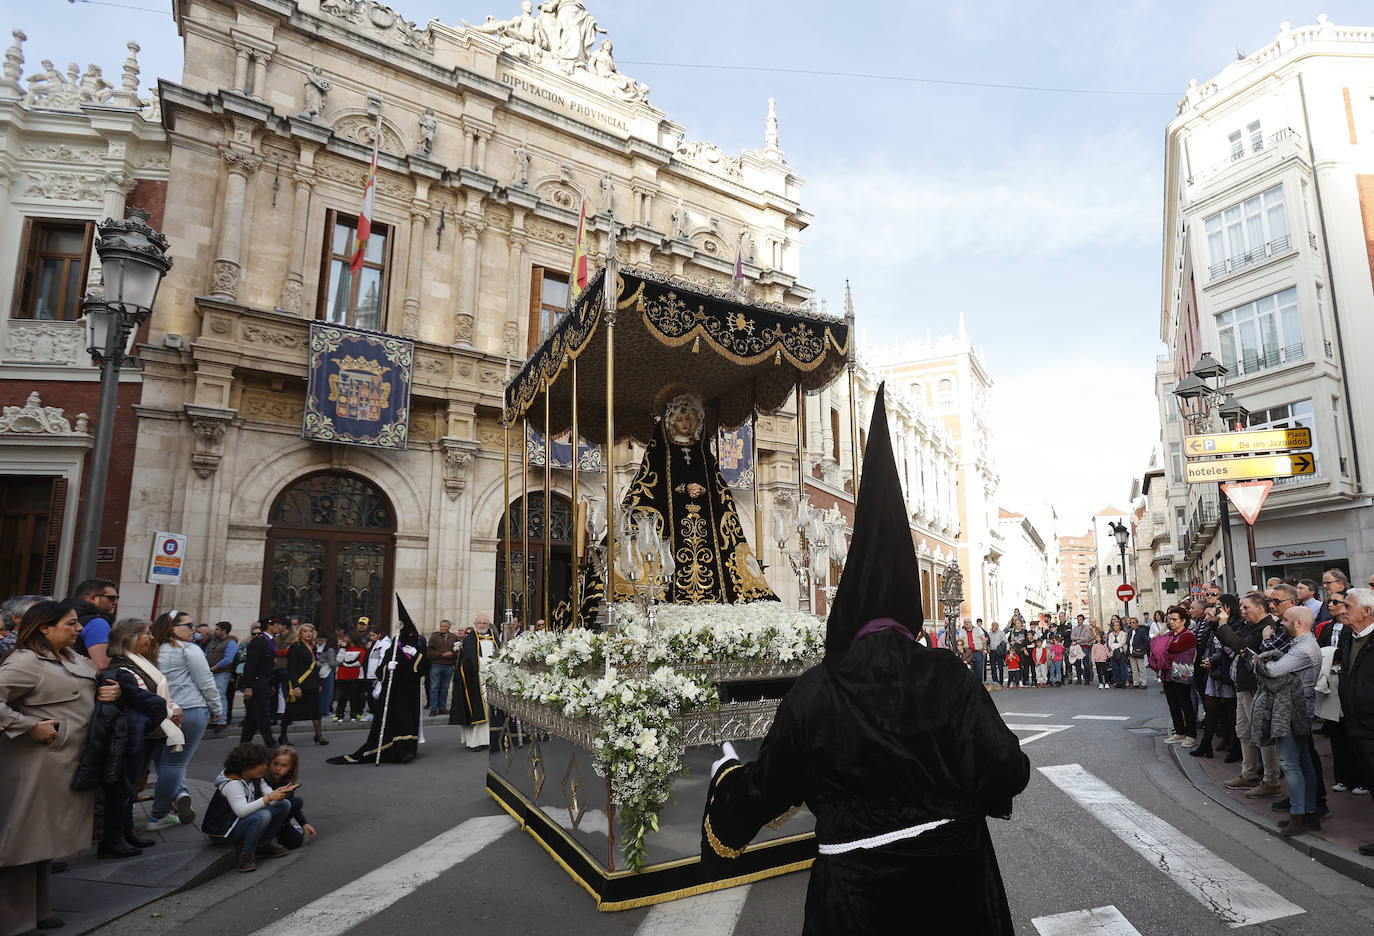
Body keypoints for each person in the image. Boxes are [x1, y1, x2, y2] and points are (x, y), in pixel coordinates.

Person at [698, 385, 1029, 934]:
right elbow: (1007, 770)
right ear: (909, 603)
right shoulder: (949, 676)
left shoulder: (817, 691)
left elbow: (766, 789)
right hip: (958, 893)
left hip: (855, 902)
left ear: (847, 605)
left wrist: (725, 780)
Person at [570, 392, 775, 625]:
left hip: (705, 526)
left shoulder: (702, 452)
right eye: (680, 419)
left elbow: (717, 484)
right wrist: (683, 488)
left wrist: (705, 491)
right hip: (670, 526)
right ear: (670, 422)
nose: (685, 424)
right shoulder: (660, 450)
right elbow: (649, 485)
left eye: (689, 419)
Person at [0, 600, 121, 935]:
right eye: (71, 624)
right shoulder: (26, 661)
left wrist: (110, 692)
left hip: (63, 761)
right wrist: (27, 726)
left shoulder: (70, 657)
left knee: (42, 839)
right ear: (45, 627)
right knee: (22, 840)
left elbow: (81, 692)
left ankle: (38, 909)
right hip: (34, 762)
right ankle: (13, 919)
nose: (79, 629)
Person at [99, 617, 186, 857]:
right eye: (145, 633)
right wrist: (169, 711)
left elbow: (153, 695)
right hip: (133, 735)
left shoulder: (140, 663)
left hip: (146, 734)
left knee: (131, 787)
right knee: (123, 788)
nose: (150, 637)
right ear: (129, 637)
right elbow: (143, 700)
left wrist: (172, 707)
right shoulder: (123, 668)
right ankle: (113, 840)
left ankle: (126, 833)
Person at [147, 610, 222, 830]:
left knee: (163, 761)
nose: (194, 630)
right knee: (175, 763)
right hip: (189, 709)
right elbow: (206, 680)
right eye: (188, 625)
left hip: (159, 712)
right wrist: (217, 708)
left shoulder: (153, 649)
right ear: (172, 628)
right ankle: (159, 814)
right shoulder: (190, 649)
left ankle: (178, 794)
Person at [329, 599, 429, 765]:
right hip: (395, 693)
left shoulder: (415, 649)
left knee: (409, 721)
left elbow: (424, 668)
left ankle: (408, 750)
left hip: (410, 692)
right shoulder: (393, 649)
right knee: (397, 721)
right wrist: (388, 668)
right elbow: (379, 670)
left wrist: (416, 656)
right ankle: (395, 751)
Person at [1253, 606, 1322, 834]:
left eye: (1285, 620)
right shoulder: (1303, 645)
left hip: (1292, 711)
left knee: (1291, 764)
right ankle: (1309, 814)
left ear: (1299, 624)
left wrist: (1259, 662)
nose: (1281, 623)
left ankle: (1298, 816)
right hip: (1299, 709)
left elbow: (1272, 670)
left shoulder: (1303, 649)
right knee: (1303, 763)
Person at [201, 743, 294, 873]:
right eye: (260, 764)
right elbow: (242, 811)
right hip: (223, 831)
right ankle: (246, 856)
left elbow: (270, 798)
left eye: (265, 763)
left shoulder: (256, 778)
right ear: (245, 765)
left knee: (284, 805)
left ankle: (263, 845)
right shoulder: (232, 783)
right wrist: (269, 798)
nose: (265, 767)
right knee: (262, 816)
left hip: (239, 823)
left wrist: (279, 795)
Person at [1335, 588, 1374, 855]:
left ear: (1367, 611)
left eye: (1347, 606)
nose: (1342, 610)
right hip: (1356, 723)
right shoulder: (1349, 636)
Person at [1191, 595, 1239, 759]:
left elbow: (1231, 647)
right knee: (1210, 707)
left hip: (1227, 670)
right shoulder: (1214, 624)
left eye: (1219, 605)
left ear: (1228, 608)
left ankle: (1234, 745)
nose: (1215, 608)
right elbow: (1209, 643)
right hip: (1214, 671)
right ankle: (1206, 745)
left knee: (1231, 711)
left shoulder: (1235, 624)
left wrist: (1212, 660)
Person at [451, 614, 499, 749]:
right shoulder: (470, 639)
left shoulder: (494, 638)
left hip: (492, 680)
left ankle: (490, 739)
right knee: (476, 709)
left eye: (485, 623)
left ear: (489, 624)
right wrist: (484, 665)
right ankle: (476, 742)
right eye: (479, 623)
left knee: (491, 710)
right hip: (475, 680)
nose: (482, 625)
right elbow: (468, 661)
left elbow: (499, 653)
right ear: (474, 624)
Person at [241, 616, 287, 746]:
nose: (280, 627)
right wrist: (248, 686)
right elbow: (251, 666)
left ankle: (244, 743)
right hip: (257, 684)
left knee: (253, 717)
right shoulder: (258, 642)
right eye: (277, 624)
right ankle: (270, 742)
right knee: (262, 715)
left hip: (265, 683)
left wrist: (271, 683)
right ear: (269, 626)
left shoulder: (270, 641)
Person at [280, 623, 328, 746]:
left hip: (312, 684)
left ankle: (319, 735)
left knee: (316, 710)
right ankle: (283, 735)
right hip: (300, 684)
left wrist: (318, 683)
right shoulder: (295, 647)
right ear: (300, 633)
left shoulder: (313, 647)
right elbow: (292, 668)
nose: (308, 633)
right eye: (305, 631)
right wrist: (295, 686)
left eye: (310, 631)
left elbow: (314, 668)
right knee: (291, 711)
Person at [265, 746, 317, 849]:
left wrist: (304, 823)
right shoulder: (263, 779)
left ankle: (280, 828)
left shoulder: (286, 781)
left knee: (295, 842)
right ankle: (269, 836)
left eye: (284, 765)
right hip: (265, 814)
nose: (278, 768)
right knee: (296, 802)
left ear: (291, 768)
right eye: (275, 763)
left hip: (280, 817)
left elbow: (292, 806)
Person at [1161, 605, 1198, 743]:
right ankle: (1179, 731)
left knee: (1185, 704)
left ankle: (1191, 734)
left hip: (1182, 671)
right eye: (1169, 619)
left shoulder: (1188, 635)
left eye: (1174, 619)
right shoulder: (1169, 634)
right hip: (1167, 672)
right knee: (1173, 704)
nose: (1171, 622)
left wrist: (1163, 644)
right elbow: (1156, 645)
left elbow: (1173, 648)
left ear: (1183, 621)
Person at [68, 577, 119, 672]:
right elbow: (102, 665)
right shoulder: (97, 623)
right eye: (111, 598)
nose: (115, 602)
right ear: (92, 598)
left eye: (117, 598)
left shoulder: (64, 615)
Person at [204, 621, 237, 730]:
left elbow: (228, 659)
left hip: (222, 673)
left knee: (220, 696)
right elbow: (205, 653)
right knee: (210, 696)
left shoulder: (230, 643)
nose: (215, 631)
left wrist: (214, 667)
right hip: (210, 672)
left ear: (224, 631)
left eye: (217, 629)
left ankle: (222, 720)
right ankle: (212, 719)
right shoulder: (213, 642)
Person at [333, 629, 367, 722]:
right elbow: (338, 660)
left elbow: (359, 662)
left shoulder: (361, 650)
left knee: (354, 696)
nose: (345, 639)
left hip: (355, 676)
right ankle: (339, 714)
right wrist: (342, 649)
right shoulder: (342, 649)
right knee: (342, 696)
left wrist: (347, 665)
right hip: (342, 676)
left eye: (347, 637)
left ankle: (354, 714)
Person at [427, 619, 459, 715]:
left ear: (448, 627)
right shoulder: (434, 637)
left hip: (448, 665)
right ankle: (433, 708)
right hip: (437, 664)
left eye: (444, 626)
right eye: (441, 626)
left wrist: (452, 653)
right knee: (434, 687)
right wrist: (441, 655)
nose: (442, 628)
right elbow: (429, 652)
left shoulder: (454, 637)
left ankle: (442, 707)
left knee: (445, 688)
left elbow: (457, 649)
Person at [316, 629, 336, 721]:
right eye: (318, 640)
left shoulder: (329, 650)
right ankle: (321, 710)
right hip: (319, 672)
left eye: (322, 640)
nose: (320, 642)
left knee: (327, 692)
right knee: (322, 692)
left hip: (327, 671)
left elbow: (332, 663)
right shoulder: (315, 647)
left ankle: (325, 710)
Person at [1128, 615, 1151, 688]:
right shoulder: (1129, 632)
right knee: (1134, 669)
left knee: (1141, 668)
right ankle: (1136, 683)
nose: (1132, 624)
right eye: (1130, 623)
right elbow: (1128, 642)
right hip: (1131, 652)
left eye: (1133, 622)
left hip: (1138, 652)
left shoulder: (1141, 631)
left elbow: (1147, 642)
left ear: (1137, 623)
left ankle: (1144, 683)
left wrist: (1141, 648)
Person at [1108, 619, 1129, 688]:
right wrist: (1113, 646)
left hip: (1121, 652)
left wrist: (1115, 646)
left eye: (1117, 625)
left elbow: (1122, 643)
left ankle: (1124, 682)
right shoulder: (1111, 634)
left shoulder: (1123, 633)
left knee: (1122, 667)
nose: (1115, 627)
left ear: (1120, 626)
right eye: (1114, 626)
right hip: (1113, 653)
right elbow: (1109, 643)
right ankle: (1118, 681)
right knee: (1115, 668)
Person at [987, 621, 1006, 686]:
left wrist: (1004, 649)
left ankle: (1001, 681)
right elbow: (988, 642)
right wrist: (988, 648)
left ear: (997, 627)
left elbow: (1005, 641)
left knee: (1000, 667)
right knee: (993, 667)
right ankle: (995, 681)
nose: (993, 627)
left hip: (999, 652)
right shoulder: (989, 633)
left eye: (994, 626)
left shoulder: (1001, 633)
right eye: (992, 626)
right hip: (992, 651)